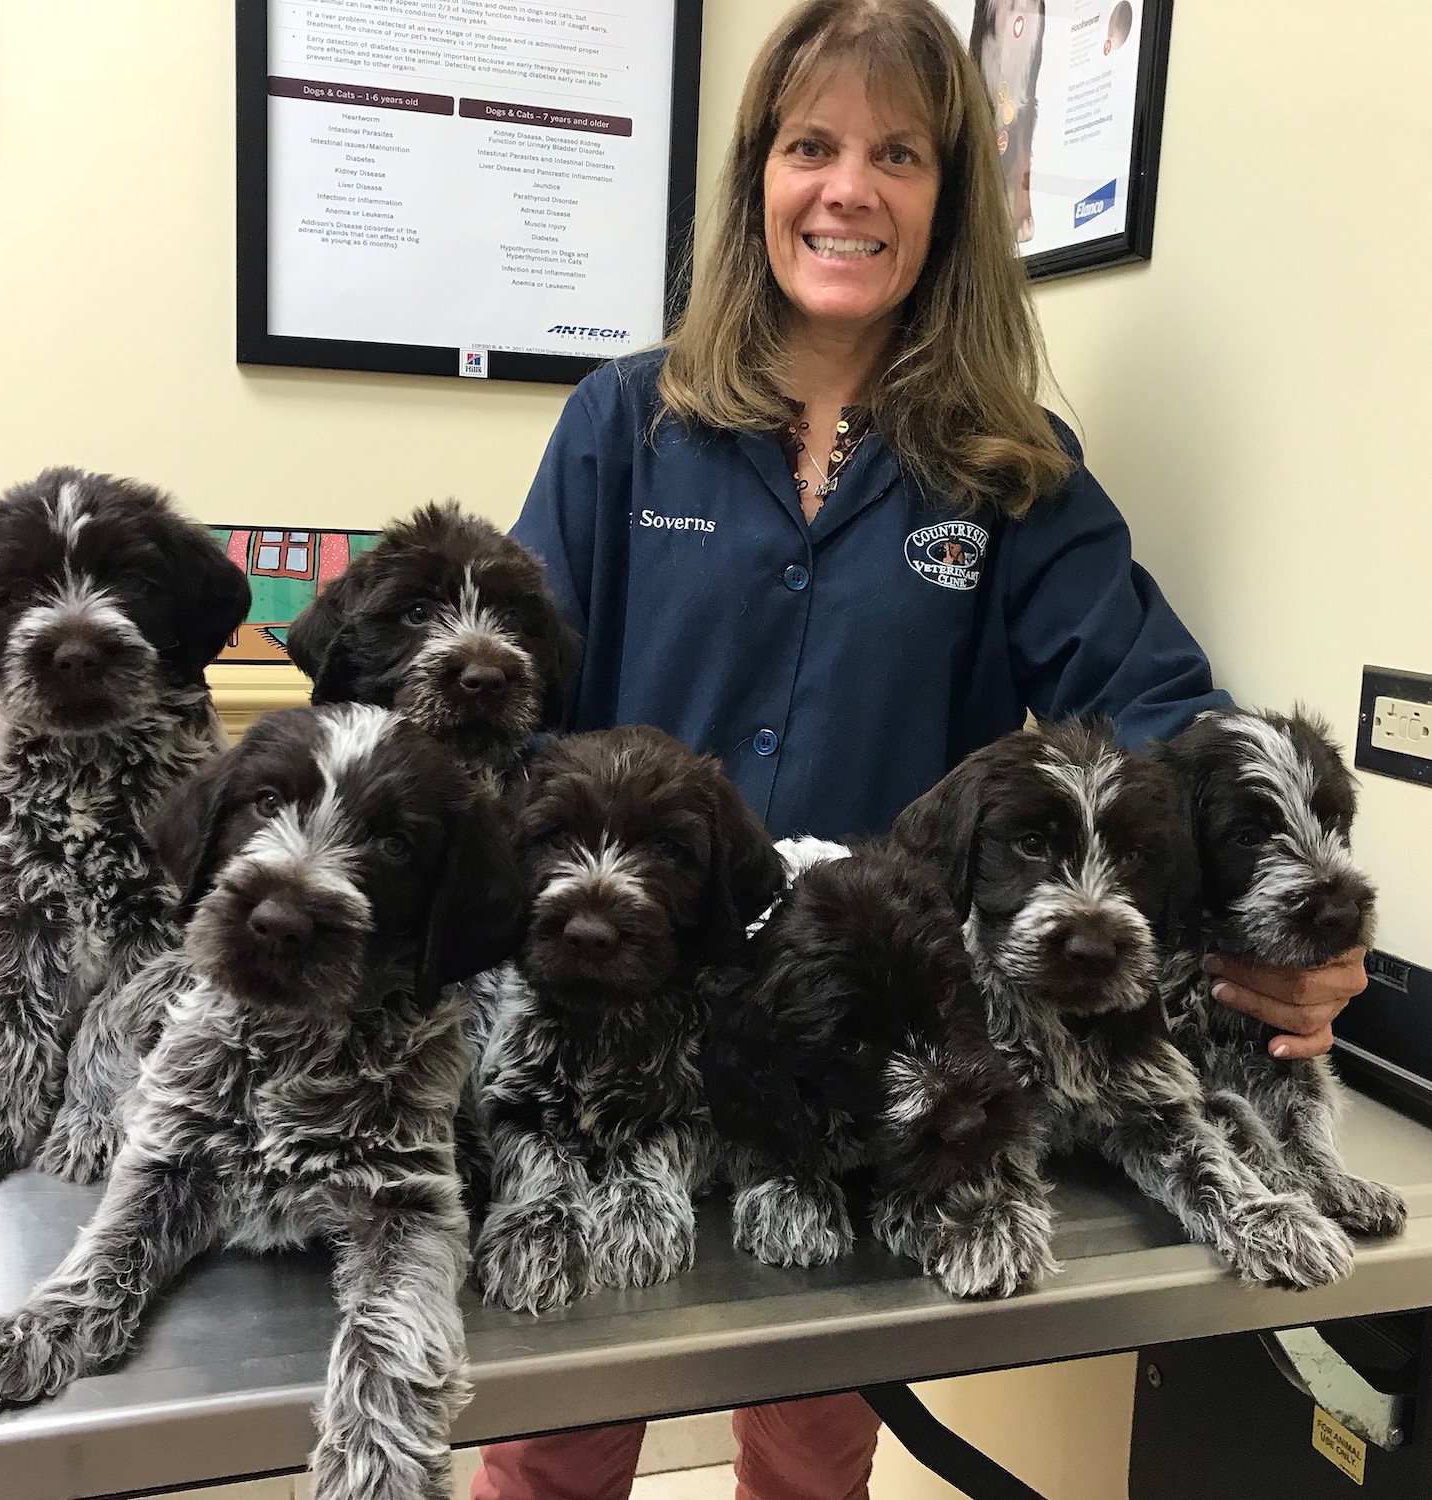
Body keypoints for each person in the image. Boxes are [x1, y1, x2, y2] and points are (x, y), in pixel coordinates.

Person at [471, 2, 1366, 1495]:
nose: (849, 189)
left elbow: (1165, 717)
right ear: (756, 173)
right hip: (622, 1016)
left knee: (818, 1441)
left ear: (949, 201)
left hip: (866, 1049)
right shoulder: (624, 426)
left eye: (899, 154)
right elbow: (508, 721)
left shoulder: (1009, 465)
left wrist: (1286, 913)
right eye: (811, 145)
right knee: (554, 1431)